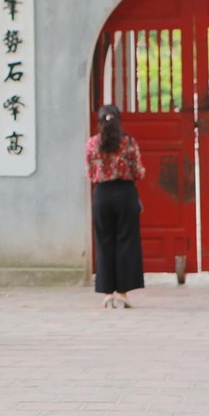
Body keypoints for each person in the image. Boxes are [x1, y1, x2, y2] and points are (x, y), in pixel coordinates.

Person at [85, 104, 146, 309]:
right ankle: (122, 293)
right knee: (126, 242)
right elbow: (138, 172)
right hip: (125, 194)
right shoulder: (128, 143)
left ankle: (107, 293)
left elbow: (90, 174)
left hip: (102, 195)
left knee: (104, 243)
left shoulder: (92, 144)